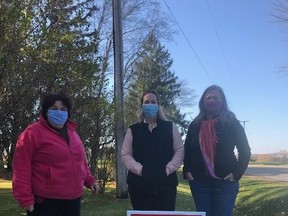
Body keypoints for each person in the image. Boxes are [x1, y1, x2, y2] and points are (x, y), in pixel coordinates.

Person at [12, 93, 99, 216]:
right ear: (46, 111)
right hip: (45, 202)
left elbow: (80, 161)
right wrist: (25, 198)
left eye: (63, 109)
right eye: (54, 108)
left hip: (73, 201)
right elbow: (21, 168)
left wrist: (89, 180)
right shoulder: (31, 133)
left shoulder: (73, 134)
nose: (59, 112)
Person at [183, 85, 251, 216]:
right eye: (208, 98)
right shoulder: (195, 124)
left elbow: (245, 150)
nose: (211, 100)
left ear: (222, 101)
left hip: (225, 182)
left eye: (215, 97)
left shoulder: (231, 122)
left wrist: (236, 173)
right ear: (202, 102)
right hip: (199, 183)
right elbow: (188, 149)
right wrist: (187, 171)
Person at [121, 90, 184, 211]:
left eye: (153, 102)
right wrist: (140, 170)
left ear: (158, 105)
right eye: (147, 102)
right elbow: (125, 154)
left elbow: (179, 150)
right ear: (141, 106)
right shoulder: (133, 130)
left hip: (166, 185)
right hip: (139, 186)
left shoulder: (170, 127)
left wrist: (168, 169)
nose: (150, 104)